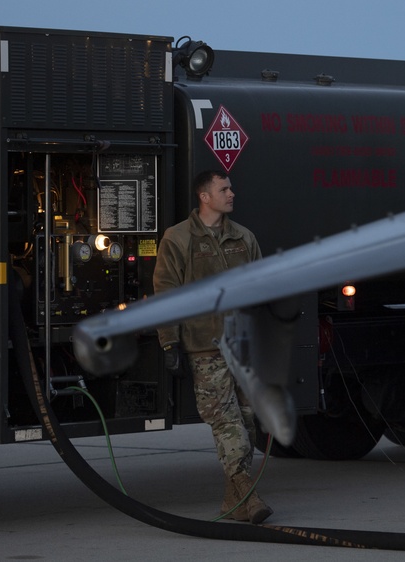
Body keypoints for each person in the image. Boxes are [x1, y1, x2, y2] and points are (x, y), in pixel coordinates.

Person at [153, 169, 272, 524]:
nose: (232, 193)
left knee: (248, 422)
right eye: (224, 189)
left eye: (231, 187)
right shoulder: (178, 238)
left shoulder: (243, 238)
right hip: (204, 348)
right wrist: (169, 342)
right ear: (205, 197)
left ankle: (230, 503)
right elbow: (166, 292)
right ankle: (248, 497)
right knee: (227, 423)